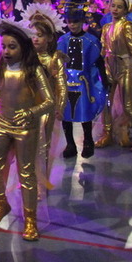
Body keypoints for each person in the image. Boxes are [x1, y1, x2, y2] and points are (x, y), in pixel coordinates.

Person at [0, 18, 54, 241]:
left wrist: (30, 113)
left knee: (26, 174)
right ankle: (1, 205)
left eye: (12, 46)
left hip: (26, 128)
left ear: (23, 47)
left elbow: (49, 101)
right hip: (1, 123)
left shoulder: (33, 71)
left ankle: (30, 220)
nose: (6, 51)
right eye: (4, 46)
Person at [96, 0, 132, 152]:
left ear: (125, 9)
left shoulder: (127, 26)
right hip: (109, 67)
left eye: (119, 7)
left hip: (125, 67)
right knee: (107, 102)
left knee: (127, 106)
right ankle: (107, 134)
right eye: (113, 6)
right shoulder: (105, 28)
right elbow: (103, 51)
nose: (115, 9)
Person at [25, 3, 68, 190]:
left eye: (40, 35)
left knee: (43, 146)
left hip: (47, 107)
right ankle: (27, 178)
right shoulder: (26, 57)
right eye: (33, 35)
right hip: (27, 106)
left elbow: (61, 84)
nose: (35, 39)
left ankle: (42, 182)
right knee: (26, 144)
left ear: (50, 38)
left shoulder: (54, 58)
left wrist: (60, 105)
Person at [57, 9, 105, 158]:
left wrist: (104, 80)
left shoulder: (91, 41)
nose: (72, 25)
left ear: (82, 22)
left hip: (83, 82)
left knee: (85, 113)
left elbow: (98, 62)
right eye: (69, 22)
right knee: (66, 115)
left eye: (75, 22)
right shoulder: (63, 40)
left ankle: (88, 141)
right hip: (65, 82)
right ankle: (70, 143)